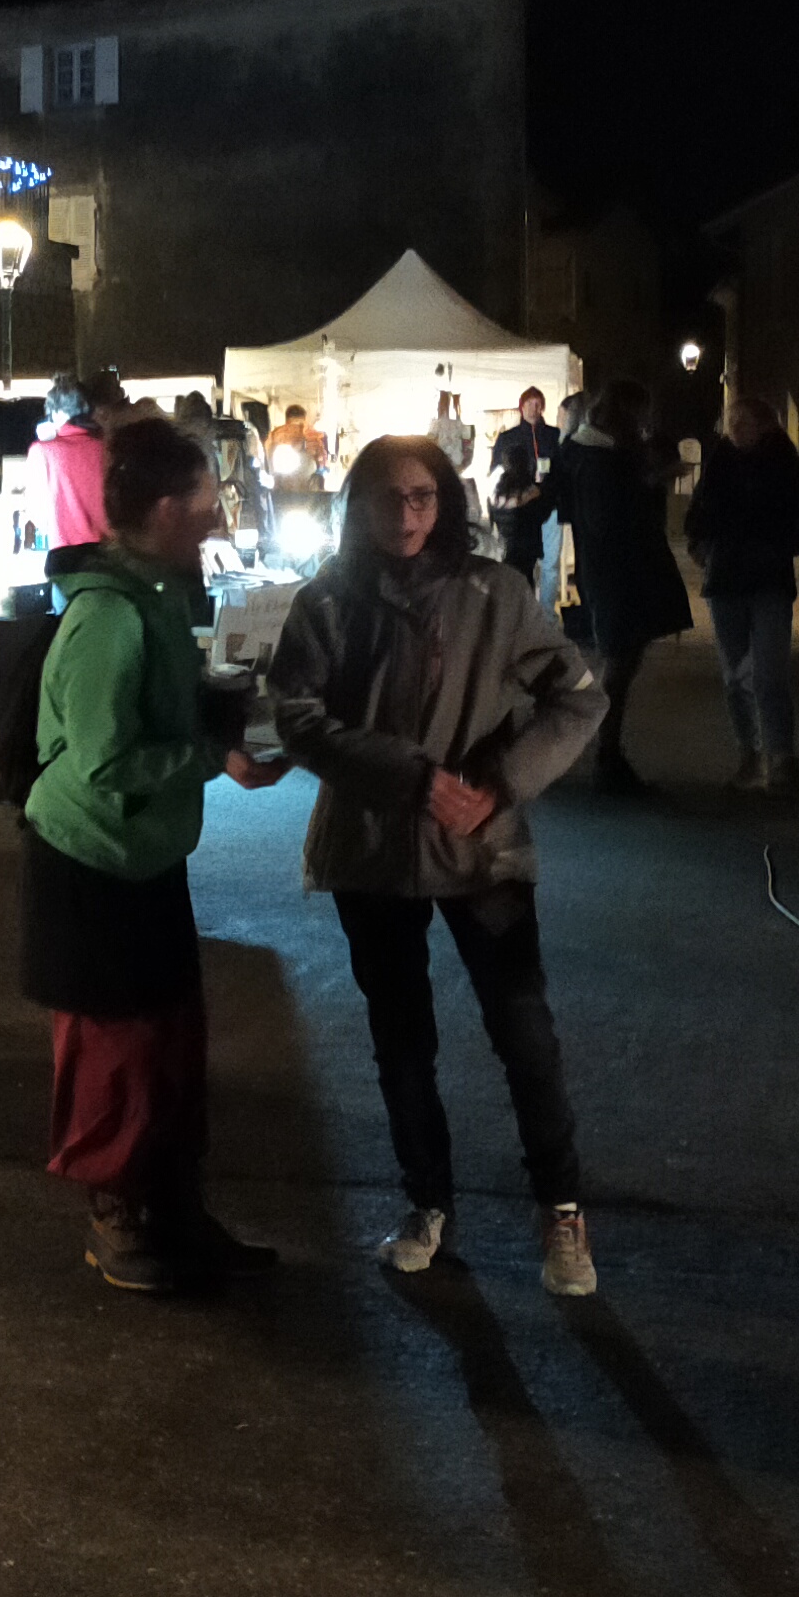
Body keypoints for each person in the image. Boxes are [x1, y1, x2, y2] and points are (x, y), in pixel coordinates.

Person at [267, 435, 609, 1297]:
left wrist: (498, 786)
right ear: (359, 504)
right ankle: (427, 1203)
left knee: (523, 1032)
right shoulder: (328, 601)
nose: (408, 514)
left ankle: (561, 1209)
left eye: (423, 497)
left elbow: (577, 696)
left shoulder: (493, 594)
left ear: (447, 501)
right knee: (401, 1039)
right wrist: (410, 778)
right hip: (373, 851)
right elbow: (297, 716)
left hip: (480, 851)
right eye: (389, 497)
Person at [22, 414, 288, 1294]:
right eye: (210, 496)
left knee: (170, 1038)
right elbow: (103, 762)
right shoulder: (109, 620)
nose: (220, 512)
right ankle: (117, 1216)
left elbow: (152, 715)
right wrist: (215, 756)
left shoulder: (155, 598)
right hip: (94, 863)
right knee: (115, 1049)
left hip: (143, 853)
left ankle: (173, 1207)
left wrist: (218, 703)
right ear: (169, 506)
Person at [549, 373, 693, 792]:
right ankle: (605, 759)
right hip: (618, 573)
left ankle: (605, 756)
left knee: (617, 662)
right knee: (617, 663)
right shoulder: (600, 458)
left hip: (608, 570)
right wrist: (650, 483)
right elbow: (607, 519)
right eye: (640, 412)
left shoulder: (587, 452)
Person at [684, 394, 799, 797]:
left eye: (744, 422)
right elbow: (696, 518)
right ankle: (749, 756)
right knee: (735, 675)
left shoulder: (786, 465)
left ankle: (781, 759)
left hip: (768, 581)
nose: (736, 430)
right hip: (726, 581)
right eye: (732, 422)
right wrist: (705, 549)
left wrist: (779, 548)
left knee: (769, 673)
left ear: (767, 425)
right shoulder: (720, 464)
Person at [488, 387, 564, 599]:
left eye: (538, 404)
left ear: (543, 407)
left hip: (551, 507)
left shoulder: (553, 435)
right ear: (521, 407)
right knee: (522, 565)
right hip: (521, 510)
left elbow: (561, 470)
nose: (534, 408)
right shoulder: (507, 438)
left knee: (550, 563)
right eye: (529, 404)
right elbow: (495, 471)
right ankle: (524, 614)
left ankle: (547, 615)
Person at [31, 374, 111, 549]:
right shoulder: (108, 447)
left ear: (57, 413)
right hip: (111, 554)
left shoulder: (42, 451)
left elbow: (37, 516)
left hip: (65, 555)